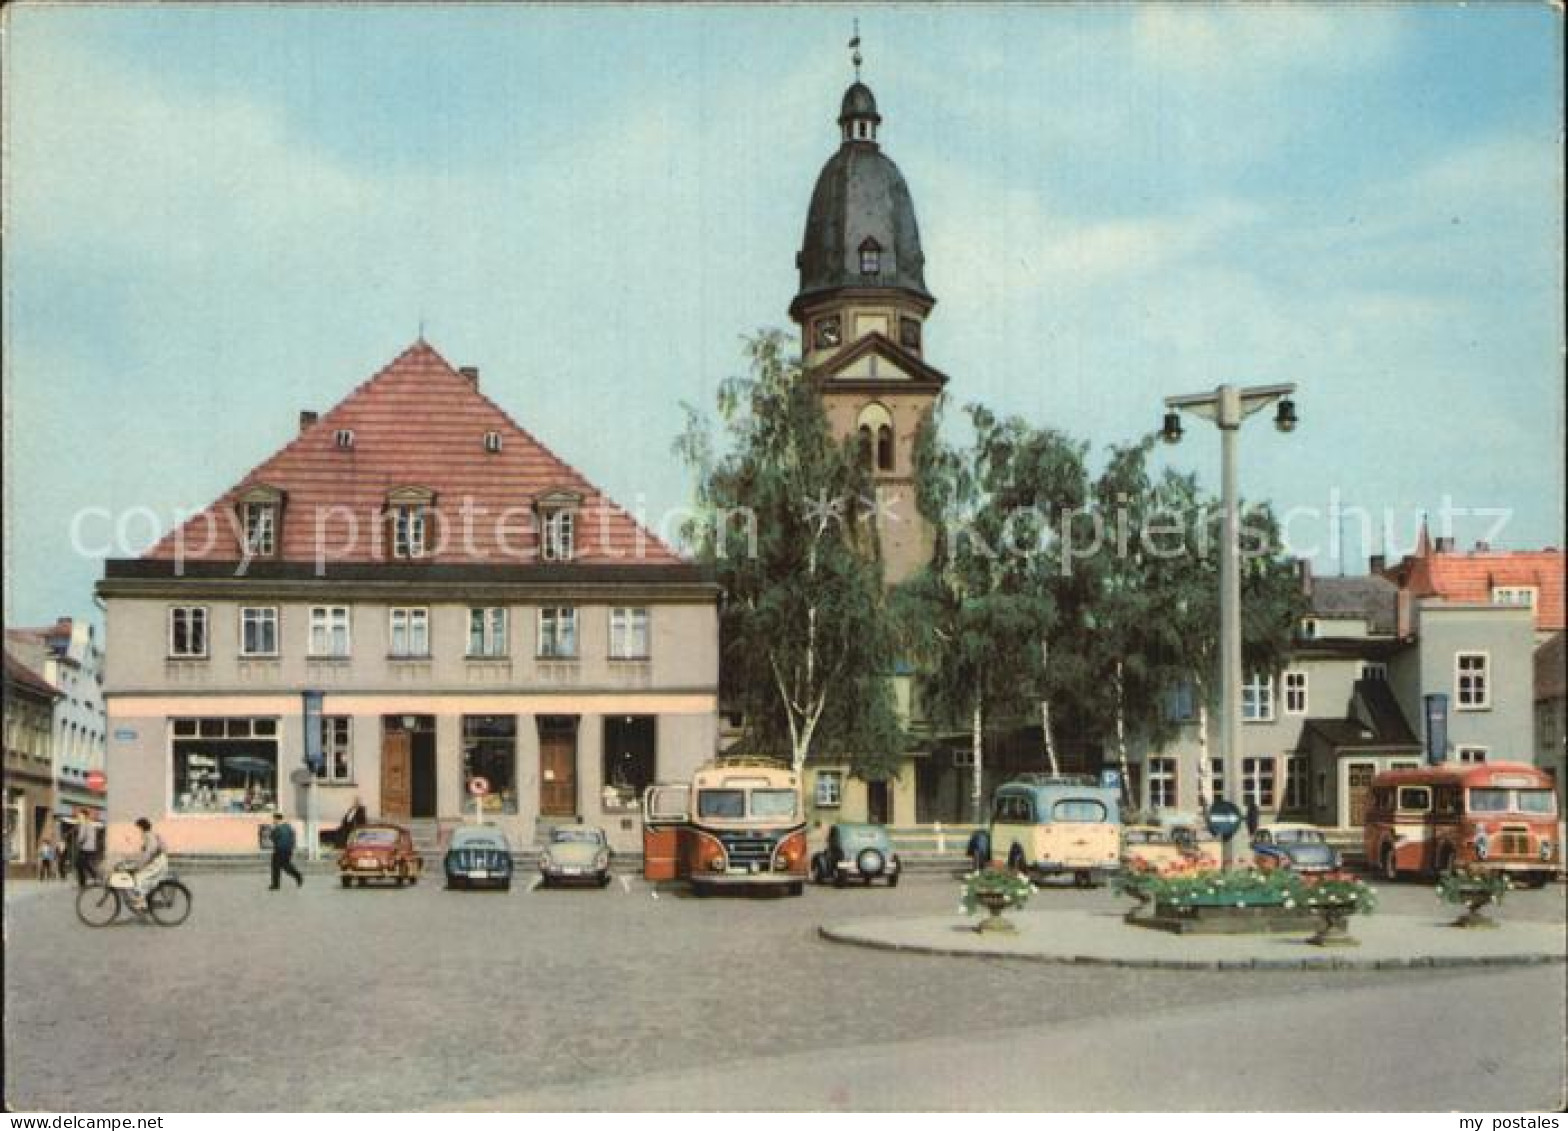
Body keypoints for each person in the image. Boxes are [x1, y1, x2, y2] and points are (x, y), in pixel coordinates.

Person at [122, 817, 169, 910]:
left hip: (157, 863)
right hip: (156, 862)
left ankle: (142, 903)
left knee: (138, 877)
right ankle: (144, 898)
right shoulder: (149, 835)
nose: (137, 830)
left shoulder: (149, 836)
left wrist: (138, 865)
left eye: (137, 827)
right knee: (140, 877)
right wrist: (131, 860)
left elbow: (149, 852)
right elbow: (143, 853)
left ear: (141, 827)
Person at [268, 813, 303, 890]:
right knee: (285, 866)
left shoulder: (277, 828)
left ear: (276, 819)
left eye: (274, 819)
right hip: (288, 850)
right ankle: (297, 876)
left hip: (279, 850)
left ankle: (276, 885)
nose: (273, 821)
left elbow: (272, 837)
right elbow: (293, 837)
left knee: (276, 867)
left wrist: (272, 830)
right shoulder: (288, 827)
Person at [74, 809, 104, 888]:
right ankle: (95, 877)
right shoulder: (90, 824)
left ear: (84, 816)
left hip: (85, 848)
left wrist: (78, 842)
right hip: (91, 848)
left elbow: (82, 837)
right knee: (85, 864)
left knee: (79, 864)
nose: (79, 817)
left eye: (80, 815)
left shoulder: (84, 824)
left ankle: (84, 882)